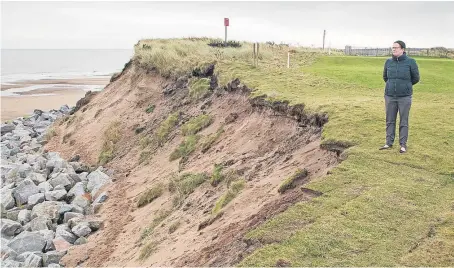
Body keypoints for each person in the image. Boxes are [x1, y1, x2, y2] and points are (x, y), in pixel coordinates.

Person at [380, 40, 420, 153]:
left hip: (404, 97)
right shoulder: (388, 62)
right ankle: (388, 142)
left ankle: (403, 144)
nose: (394, 49)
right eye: (392, 47)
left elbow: (416, 78)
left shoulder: (411, 62)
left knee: (403, 121)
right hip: (390, 96)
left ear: (403, 49)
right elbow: (385, 77)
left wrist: (405, 86)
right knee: (390, 120)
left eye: (396, 47)